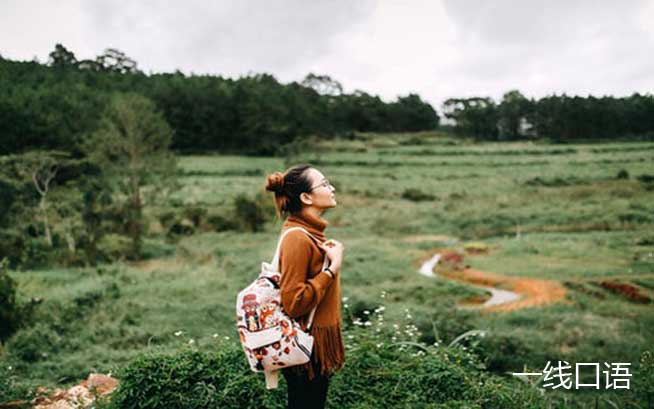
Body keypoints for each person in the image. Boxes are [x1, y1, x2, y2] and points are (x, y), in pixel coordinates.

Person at [264, 164, 345, 409]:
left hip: (313, 345)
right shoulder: (298, 238)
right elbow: (294, 302)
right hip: (306, 346)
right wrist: (332, 268)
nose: (331, 188)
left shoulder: (311, 234)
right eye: (324, 184)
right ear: (306, 197)